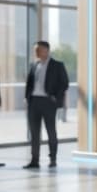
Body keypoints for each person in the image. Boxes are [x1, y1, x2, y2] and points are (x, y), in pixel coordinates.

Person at [23, 41, 69, 170]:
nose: (36, 52)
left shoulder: (57, 65)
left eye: (38, 50)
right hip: (34, 102)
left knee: (51, 131)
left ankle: (52, 159)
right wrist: (27, 98)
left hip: (48, 102)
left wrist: (55, 97)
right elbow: (29, 83)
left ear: (46, 50)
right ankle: (34, 161)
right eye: (35, 50)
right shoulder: (34, 65)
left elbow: (64, 83)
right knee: (34, 133)